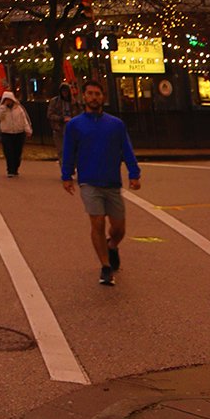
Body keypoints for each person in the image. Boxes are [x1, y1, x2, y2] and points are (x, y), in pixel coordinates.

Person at [60, 80, 141, 286]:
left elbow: (127, 149)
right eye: (90, 94)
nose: (94, 97)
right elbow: (69, 151)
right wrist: (67, 175)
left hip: (112, 181)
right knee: (97, 222)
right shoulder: (75, 125)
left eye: (97, 94)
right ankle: (105, 266)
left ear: (102, 97)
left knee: (119, 227)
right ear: (84, 97)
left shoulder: (115, 124)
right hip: (89, 181)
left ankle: (112, 245)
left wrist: (134, 173)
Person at [0, 87, 33, 177]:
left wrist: (27, 129)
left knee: (17, 152)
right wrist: (4, 107)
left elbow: (24, 119)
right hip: (7, 133)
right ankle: (10, 169)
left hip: (19, 132)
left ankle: (15, 168)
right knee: (8, 152)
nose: (8, 102)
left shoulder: (19, 108)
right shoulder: (0, 108)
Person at [46, 83, 76, 160]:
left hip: (71, 128)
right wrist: (61, 118)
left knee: (72, 150)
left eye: (66, 91)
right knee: (61, 150)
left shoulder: (74, 102)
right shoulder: (55, 101)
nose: (65, 93)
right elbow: (50, 114)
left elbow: (79, 113)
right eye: (63, 91)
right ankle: (64, 169)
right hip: (59, 128)